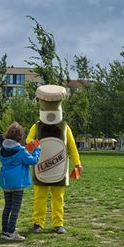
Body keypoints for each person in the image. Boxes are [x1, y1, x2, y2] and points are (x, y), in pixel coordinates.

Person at [26, 85, 83, 234]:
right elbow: (28, 143)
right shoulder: (36, 127)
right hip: (41, 169)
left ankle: (58, 223)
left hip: (59, 169)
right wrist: (33, 144)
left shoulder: (65, 127)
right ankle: (38, 223)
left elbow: (72, 146)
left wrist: (78, 164)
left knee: (58, 198)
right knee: (40, 197)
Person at [0, 122, 41, 241]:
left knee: (7, 206)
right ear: (20, 136)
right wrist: (37, 150)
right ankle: (11, 231)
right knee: (16, 208)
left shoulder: (3, 148)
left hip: (6, 181)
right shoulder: (21, 150)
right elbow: (33, 161)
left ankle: (4, 230)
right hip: (18, 182)